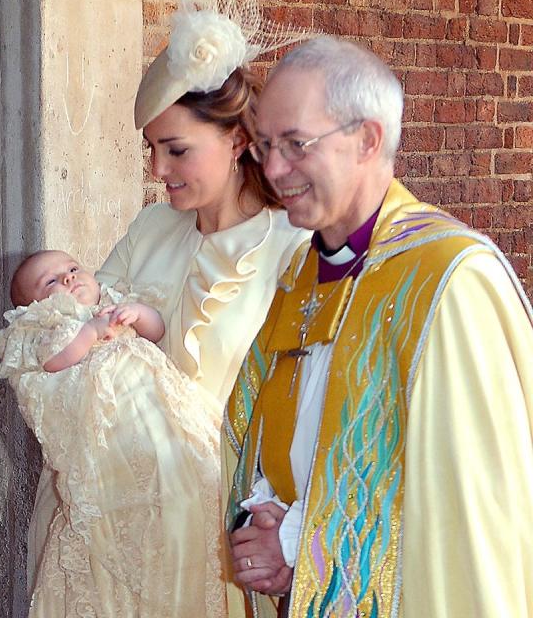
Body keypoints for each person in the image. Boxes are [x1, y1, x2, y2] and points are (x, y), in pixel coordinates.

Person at [223, 35, 533, 618]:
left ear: (366, 139)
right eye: (265, 145)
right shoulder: (299, 273)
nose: (272, 168)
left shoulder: (449, 279)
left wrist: (300, 545)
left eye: (295, 144)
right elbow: (260, 432)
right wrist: (265, 520)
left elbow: (467, 507)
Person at [72, 0, 311, 615]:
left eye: (176, 151)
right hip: (136, 535)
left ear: (237, 139)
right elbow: (85, 340)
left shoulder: (293, 248)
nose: (157, 171)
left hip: (236, 548)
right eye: (151, 151)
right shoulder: (152, 228)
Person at [0, 250, 222, 616]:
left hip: (158, 413)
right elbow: (54, 359)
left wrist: (138, 314)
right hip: (110, 430)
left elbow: (156, 329)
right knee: (121, 503)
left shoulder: (112, 301)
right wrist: (90, 332)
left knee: (187, 473)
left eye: (72, 268)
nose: (68, 279)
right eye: (51, 282)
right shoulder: (45, 325)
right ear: (32, 305)